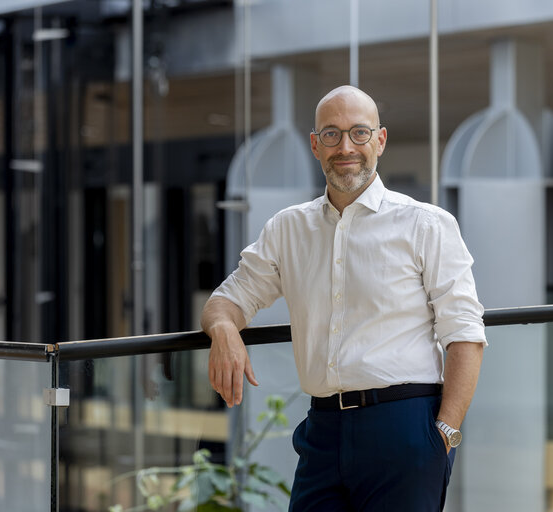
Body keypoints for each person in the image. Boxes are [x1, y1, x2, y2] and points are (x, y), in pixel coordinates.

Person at [201, 85, 487, 511]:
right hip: (323, 431)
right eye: (331, 135)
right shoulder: (288, 229)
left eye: (359, 132)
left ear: (380, 140)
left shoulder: (426, 225)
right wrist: (224, 329)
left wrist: (444, 434)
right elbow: (228, 299)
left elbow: (464, 334)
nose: (346, 146)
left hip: (406, 429)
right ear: (316, 146)